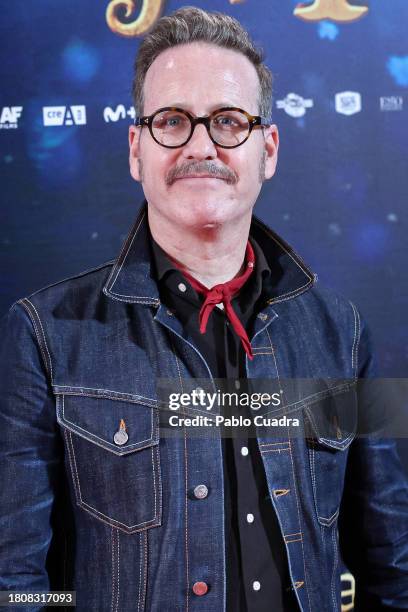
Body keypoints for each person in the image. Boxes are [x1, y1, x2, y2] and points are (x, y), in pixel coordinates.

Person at [0, 6, 407, 612]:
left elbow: (393, 563)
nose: (200, 145)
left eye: (227, 121)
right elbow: (18, 585)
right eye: (171, 121)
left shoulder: (344, 332)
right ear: (137, 150)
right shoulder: (42, 334)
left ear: (267, 149)